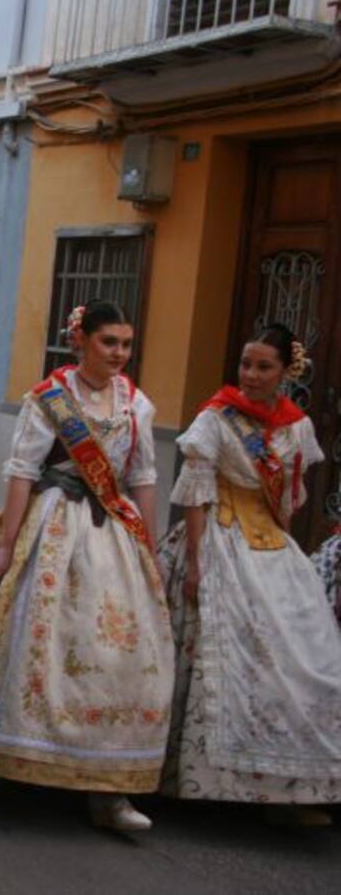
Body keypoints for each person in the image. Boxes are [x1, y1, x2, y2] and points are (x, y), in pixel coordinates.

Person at [0, 300, 172, 832]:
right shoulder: (49, 399)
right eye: (109, 343)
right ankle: (17, 763)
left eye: (126, 344)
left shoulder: (136, 403)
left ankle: (109, 788)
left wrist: (147, 544)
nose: (119, 354)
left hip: (114, 535)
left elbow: (144, 476)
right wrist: (8, 544)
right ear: (81, 341)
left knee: (117, 654)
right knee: (40, 643)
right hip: (54, 524)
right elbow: (21, 471)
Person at [159, 325, 341, 823]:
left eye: (264, 367)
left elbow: (292, 498)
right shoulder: (216, 418)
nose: (252, 375)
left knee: (302, 656)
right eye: (246, 364)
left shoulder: (295, 426)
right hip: (218, 537)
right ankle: (197, 776)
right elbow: (194, 494)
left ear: (286, 372)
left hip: (273, 547)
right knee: (224, 652)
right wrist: (195, 564)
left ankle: (293, 789)